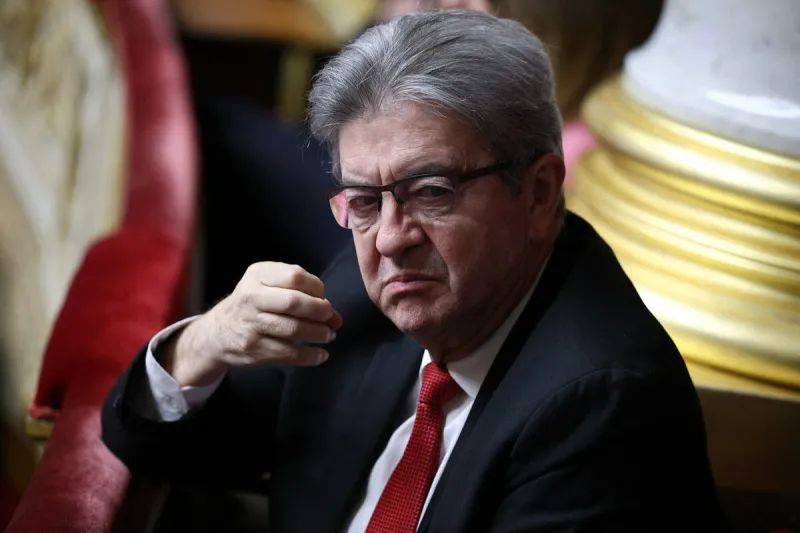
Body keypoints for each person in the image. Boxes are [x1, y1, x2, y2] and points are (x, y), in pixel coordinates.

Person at [102, 10, 728, 532]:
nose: (392, 239)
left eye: (431, 191)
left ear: (538, 193)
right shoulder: (370, 288)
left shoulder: (602, 407)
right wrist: (207, 340)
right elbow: (150, 443)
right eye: (365, 202)